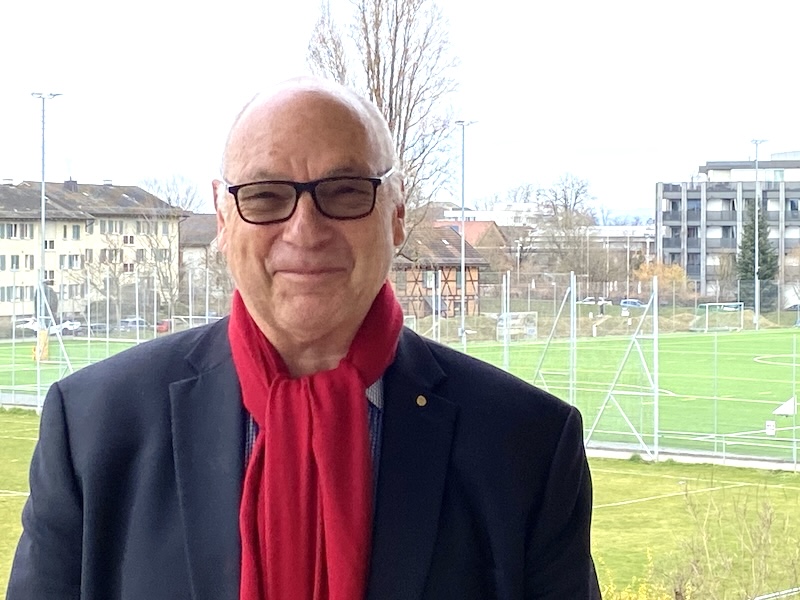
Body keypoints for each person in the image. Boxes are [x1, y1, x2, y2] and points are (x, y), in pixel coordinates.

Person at [7, 77, 602, 599]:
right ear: (223, 219)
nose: (306, 229)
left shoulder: (526, 445)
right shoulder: (93, 429)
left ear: (395, 214)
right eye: (266, 196)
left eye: (344, 191)